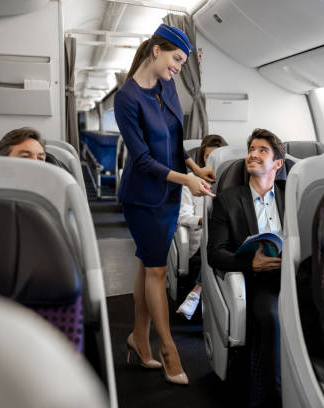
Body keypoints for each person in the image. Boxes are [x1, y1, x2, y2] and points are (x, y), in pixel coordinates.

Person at [114, 23, 215, 386]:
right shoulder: (126, 99)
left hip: (170, 192)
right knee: (156, 270)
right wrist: (186, 180)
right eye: (175, 59)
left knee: (147, 265)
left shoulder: (167, 86)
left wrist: (194, 167)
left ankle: (139, 339)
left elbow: (175, 140)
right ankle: (168, 348)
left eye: (183, 63)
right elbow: (140, 159)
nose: (177, 68)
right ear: (156, 50)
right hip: (143, 198)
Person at [208, 128, 285, 407]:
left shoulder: (292, 194)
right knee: (271, 318)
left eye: (262, 150)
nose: (252, 154)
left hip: (294, 276)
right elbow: (214, 254)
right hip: (259, 279)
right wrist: (250, 262)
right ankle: (275, 394)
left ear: (278, 164)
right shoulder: (229, 200)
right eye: (251, 149)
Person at [176, 134, 228, 320]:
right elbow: (182, 216)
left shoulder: (230, 180)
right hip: (200, 243)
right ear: (201, 159)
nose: (212, 162)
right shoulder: (189, 181)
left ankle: (196, 293)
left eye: (217, 157)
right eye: (208, 157)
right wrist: (203, 221)